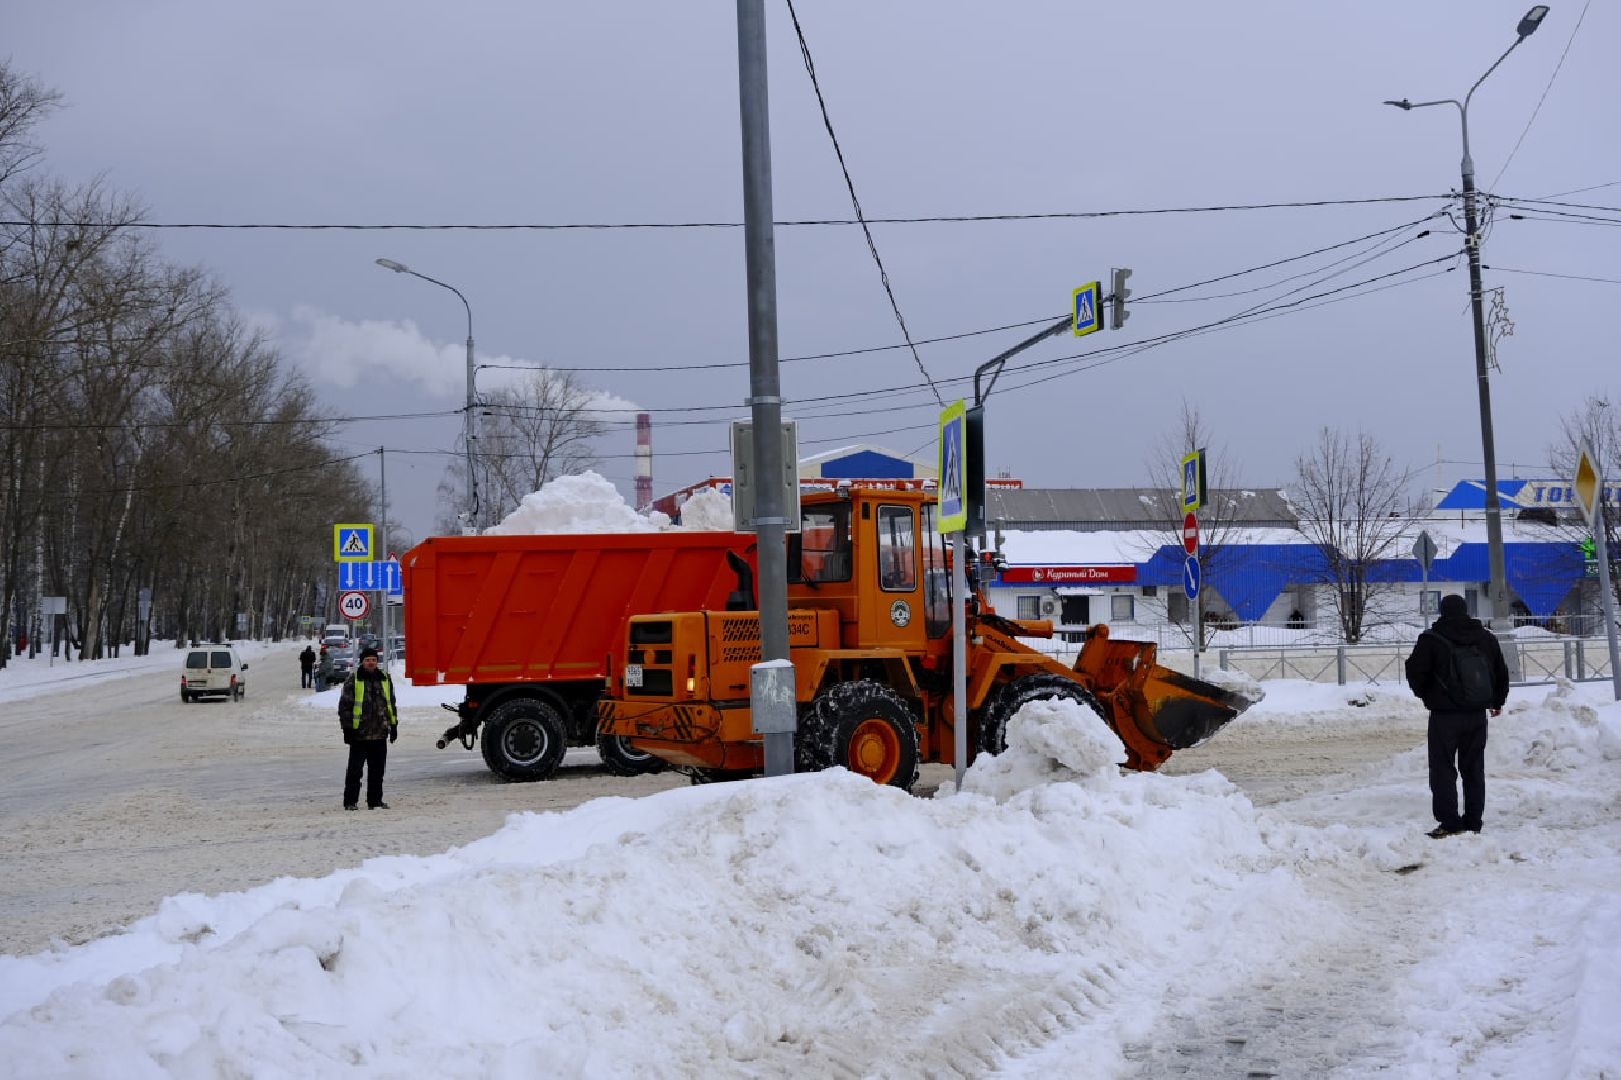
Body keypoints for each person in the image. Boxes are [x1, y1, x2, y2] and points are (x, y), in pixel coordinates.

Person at [1404, 594, 1510, 838]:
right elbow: (1500, 672)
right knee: (1474, 768)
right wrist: (1497, 702)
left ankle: (1449, 822)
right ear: (1466, 610)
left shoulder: (1431, 639)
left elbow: (1415, 672)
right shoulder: (1486, 638)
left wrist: (1428, 696)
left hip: (1444, 716)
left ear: (1442, 611)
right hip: (1476, 714)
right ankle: (1473, 821)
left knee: (1443, 768)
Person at [338, 646, 398, 810]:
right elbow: (345, 707)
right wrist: (347, 729)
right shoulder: (354, 680)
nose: (371, 663)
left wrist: (393, 725)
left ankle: (375, 801)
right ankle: (350, 802)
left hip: (380, 734)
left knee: (377, 771)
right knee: (355, 771)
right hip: (359, 735)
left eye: (373, 660)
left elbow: (391, 704)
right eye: (367, 660)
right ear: (362, 662)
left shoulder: (385, 678)